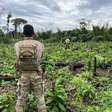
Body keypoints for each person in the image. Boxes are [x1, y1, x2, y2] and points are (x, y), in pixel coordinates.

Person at [15, 24, 46, 112]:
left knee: (21, 99)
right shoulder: (39, 44)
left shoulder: (17, 45)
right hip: (36, 73)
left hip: (23, 74)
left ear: (23, 34)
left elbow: (17, 59)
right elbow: (40, 58)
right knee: (40, 97)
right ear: (33, 33)